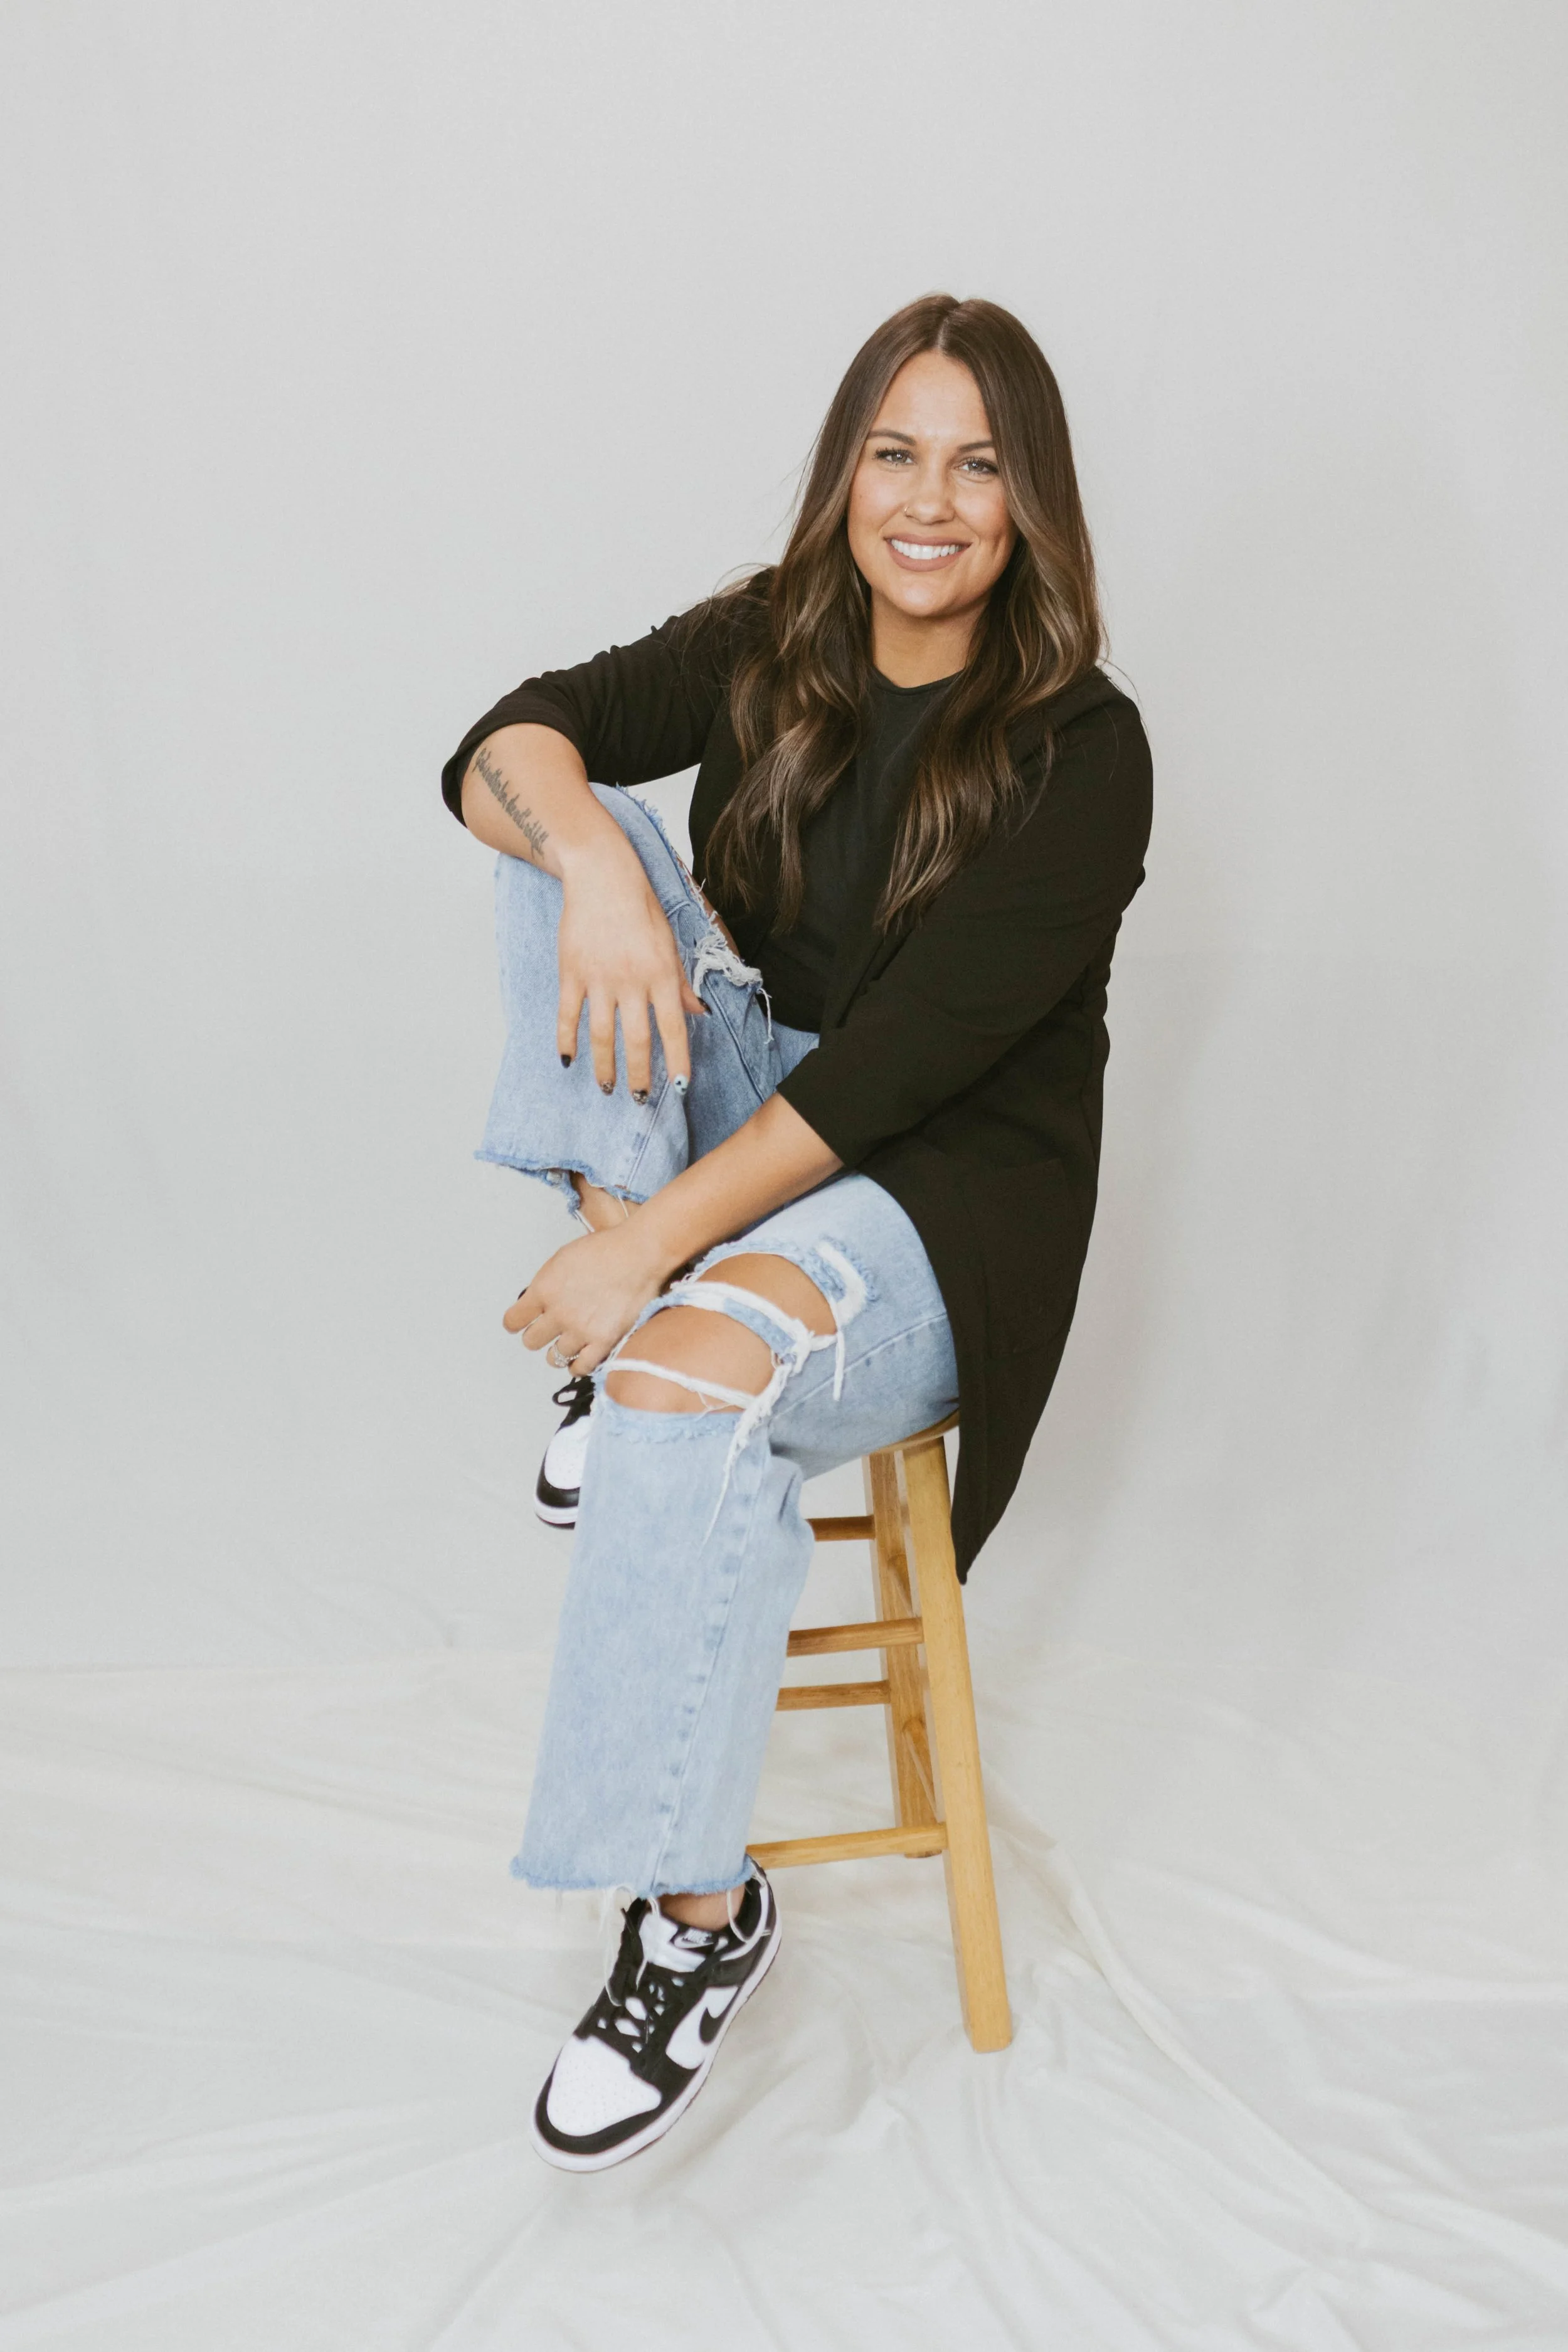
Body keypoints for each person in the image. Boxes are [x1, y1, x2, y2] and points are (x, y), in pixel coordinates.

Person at [441, 294, 1152, 2171]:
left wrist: (635, 1262)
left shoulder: (1085, 747)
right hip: (760, 1117)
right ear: (847, 468)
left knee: (686, 1383)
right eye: (895, 451)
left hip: (945, 1190)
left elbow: (895, 1076)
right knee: (555, 811)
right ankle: (646, 1306)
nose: (930, 501)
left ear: (1031, 502)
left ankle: (692, 1919)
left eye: (979, 463)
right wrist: (594, 853)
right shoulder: (774, 643)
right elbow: (494, 750)